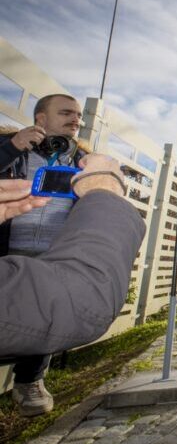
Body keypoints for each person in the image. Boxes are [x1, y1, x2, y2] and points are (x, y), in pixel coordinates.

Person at [0, 156, 142, 367]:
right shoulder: (16, 150)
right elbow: (83, 299)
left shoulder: (76, 156)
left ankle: (32, 378)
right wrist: (104, 191)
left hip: (57, 248)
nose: (75, 120)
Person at [0, 94, 87, 417]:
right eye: (66, 113)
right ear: (40, 118)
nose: (76, 120)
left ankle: (30, 381)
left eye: (78, 115)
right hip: (7, 247)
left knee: (46, 311)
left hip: (54, 251)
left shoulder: (81, 160)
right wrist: (12, 147)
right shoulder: (10, 147)